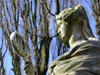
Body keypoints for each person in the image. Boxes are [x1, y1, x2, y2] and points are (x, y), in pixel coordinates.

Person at [48, 5, 100, 75]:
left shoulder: (95, 49)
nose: (59, 31)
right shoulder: (58, 63)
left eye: (60, 25)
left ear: (69, 23)